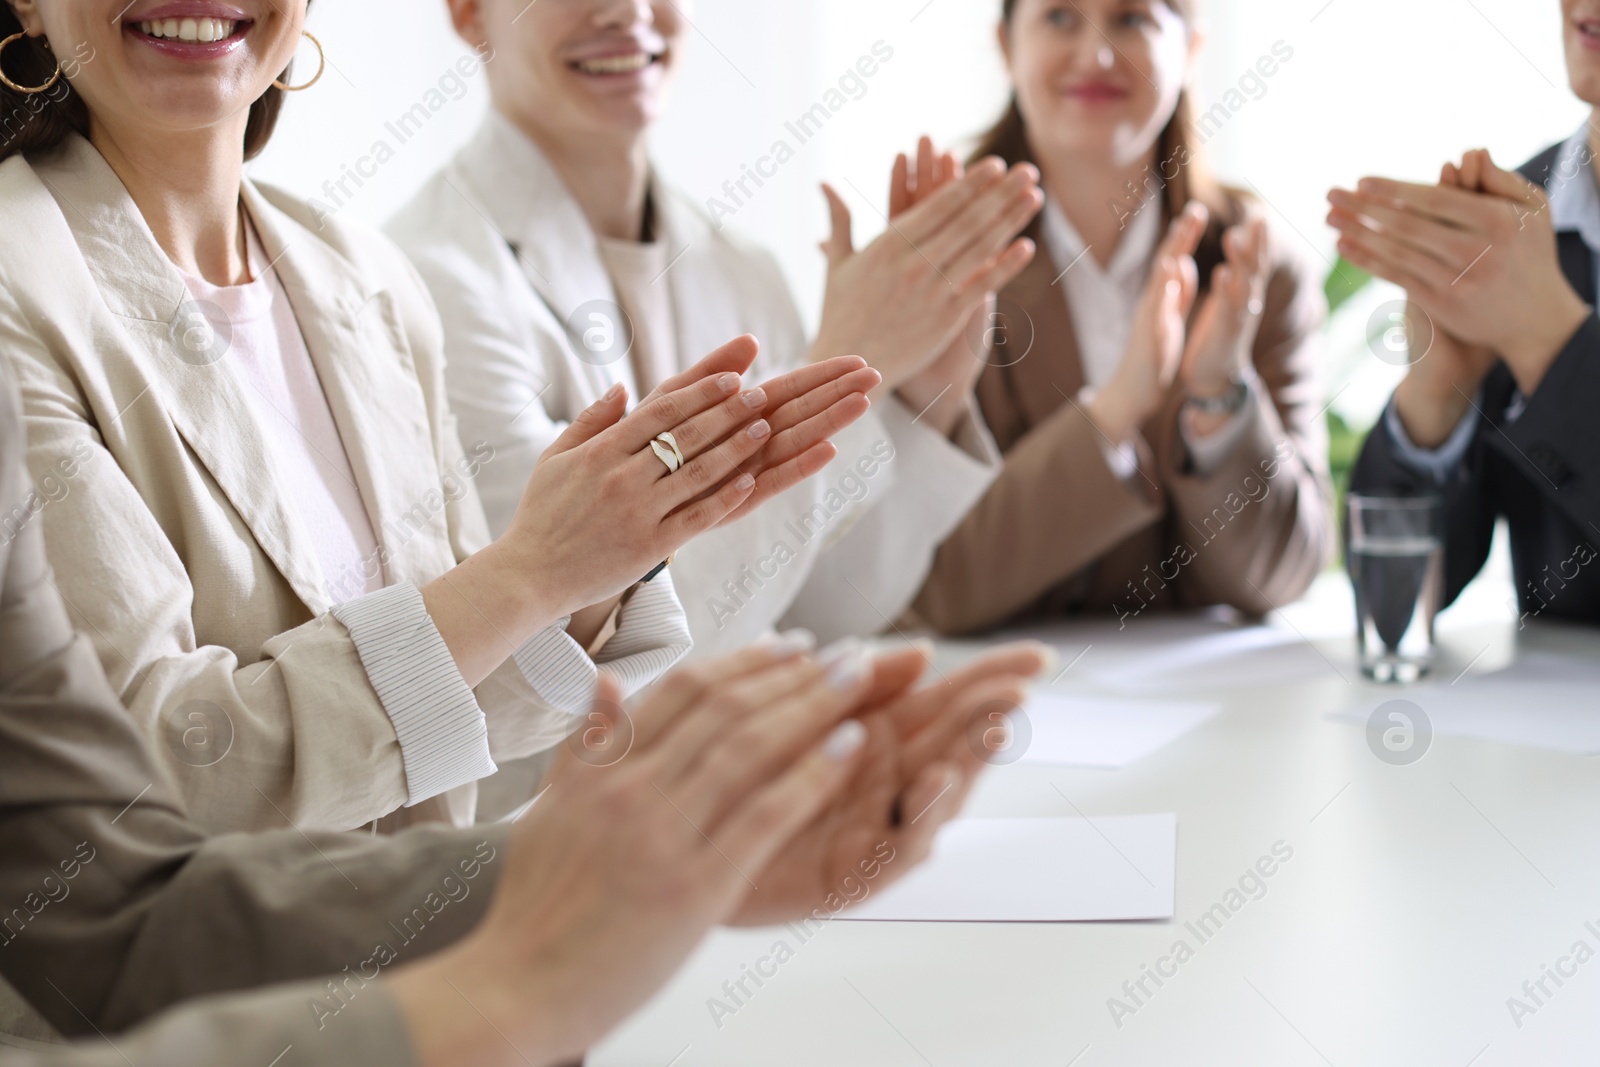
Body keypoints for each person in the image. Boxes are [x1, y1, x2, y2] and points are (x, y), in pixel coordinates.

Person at [0, 0, 884, 852]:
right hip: (183, 1002)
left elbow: (457, 741)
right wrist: (530, 572)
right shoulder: (20, 288)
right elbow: (150, 774)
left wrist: (590, 576)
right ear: (26, 7)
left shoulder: (364, 277)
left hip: (406, 963)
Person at [0, 349, 1049, 1064]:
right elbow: (171, 784)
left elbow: (102, 902)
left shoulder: (358, 273)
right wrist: (487, 995)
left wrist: (631, 865)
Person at [387, 0, 1046, 657]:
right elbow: (565, 667)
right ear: (468, 12)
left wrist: (919, 396)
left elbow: (818, 609)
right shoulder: (430, 282)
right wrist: (849, 357)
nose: (628, 12)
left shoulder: (743, 269)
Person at [906, 0, 1334, 635]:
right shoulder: (937, 256)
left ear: (1189, 48)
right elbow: (931, 586)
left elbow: (1281, 574)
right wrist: (1114, 410)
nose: (1096, 55)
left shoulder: (1258, 265)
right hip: (1006, 698)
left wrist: (1219, 392)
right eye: (1058, 17)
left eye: (1133, 18)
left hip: (1219, 712)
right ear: (1006, 45)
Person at [1327, 1, 1600, 626]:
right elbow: (1390, 607)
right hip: (1537, 718)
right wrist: (1436, 397)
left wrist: (1551, 344)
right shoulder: (1515, 225)